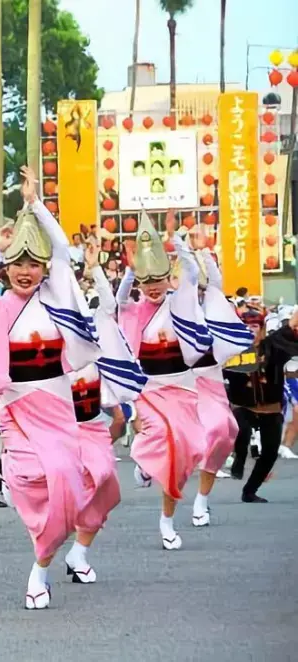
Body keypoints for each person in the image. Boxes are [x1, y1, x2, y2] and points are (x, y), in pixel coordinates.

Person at [0, 167, 101, 609]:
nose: (24, 271)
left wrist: (37, 204)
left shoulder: (56, 298)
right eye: (17, 264)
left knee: (63, 480)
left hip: (56, 401)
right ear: (7, 269)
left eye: (32, 263)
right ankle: (27, 515)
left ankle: (40, 567)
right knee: (27, 480)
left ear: (43, 269)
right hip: (16, 405)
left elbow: (64, 251)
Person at [118, 213, 208, 551]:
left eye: (158, 277)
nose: (153, 285)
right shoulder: (134, 310)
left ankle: (167, 517)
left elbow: (194, 274)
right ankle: (143, 461)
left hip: (182, 386)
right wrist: (131, 268)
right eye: (146, 280)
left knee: (186, 451)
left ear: (168, 277)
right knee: (162, 433)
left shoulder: (181, 304)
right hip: (150, 389)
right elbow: (119, 300)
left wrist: (178, 245)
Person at [64, 239, 147, 583]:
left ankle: (78, 552)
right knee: (78, 482)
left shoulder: (98, 349)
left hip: (92, 429)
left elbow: (110, 304)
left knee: (108, 491)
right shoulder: (54, 349)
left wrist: (95, 266)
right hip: (58, 431)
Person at [188, 237, 254, 526]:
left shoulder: (212, 305)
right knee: (213, 428)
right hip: (186, 380)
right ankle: (152, 464)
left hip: (213, 377)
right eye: (195, 285)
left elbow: (215, 280)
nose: (200, 290)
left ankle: (202, 499)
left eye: (202, 287)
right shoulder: (176, 307)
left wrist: (203, 251)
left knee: (229, 430)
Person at [225, 309, 298, 501]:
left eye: (254, 326)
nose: (250, 330)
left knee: (270, 453)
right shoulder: (231, 350)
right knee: (242, 429)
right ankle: (239, 458)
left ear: (262, 328)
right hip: (243, 406)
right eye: (246, 326)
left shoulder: (274, 346)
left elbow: (290, 328)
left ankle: (250, 491)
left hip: (271, 408)